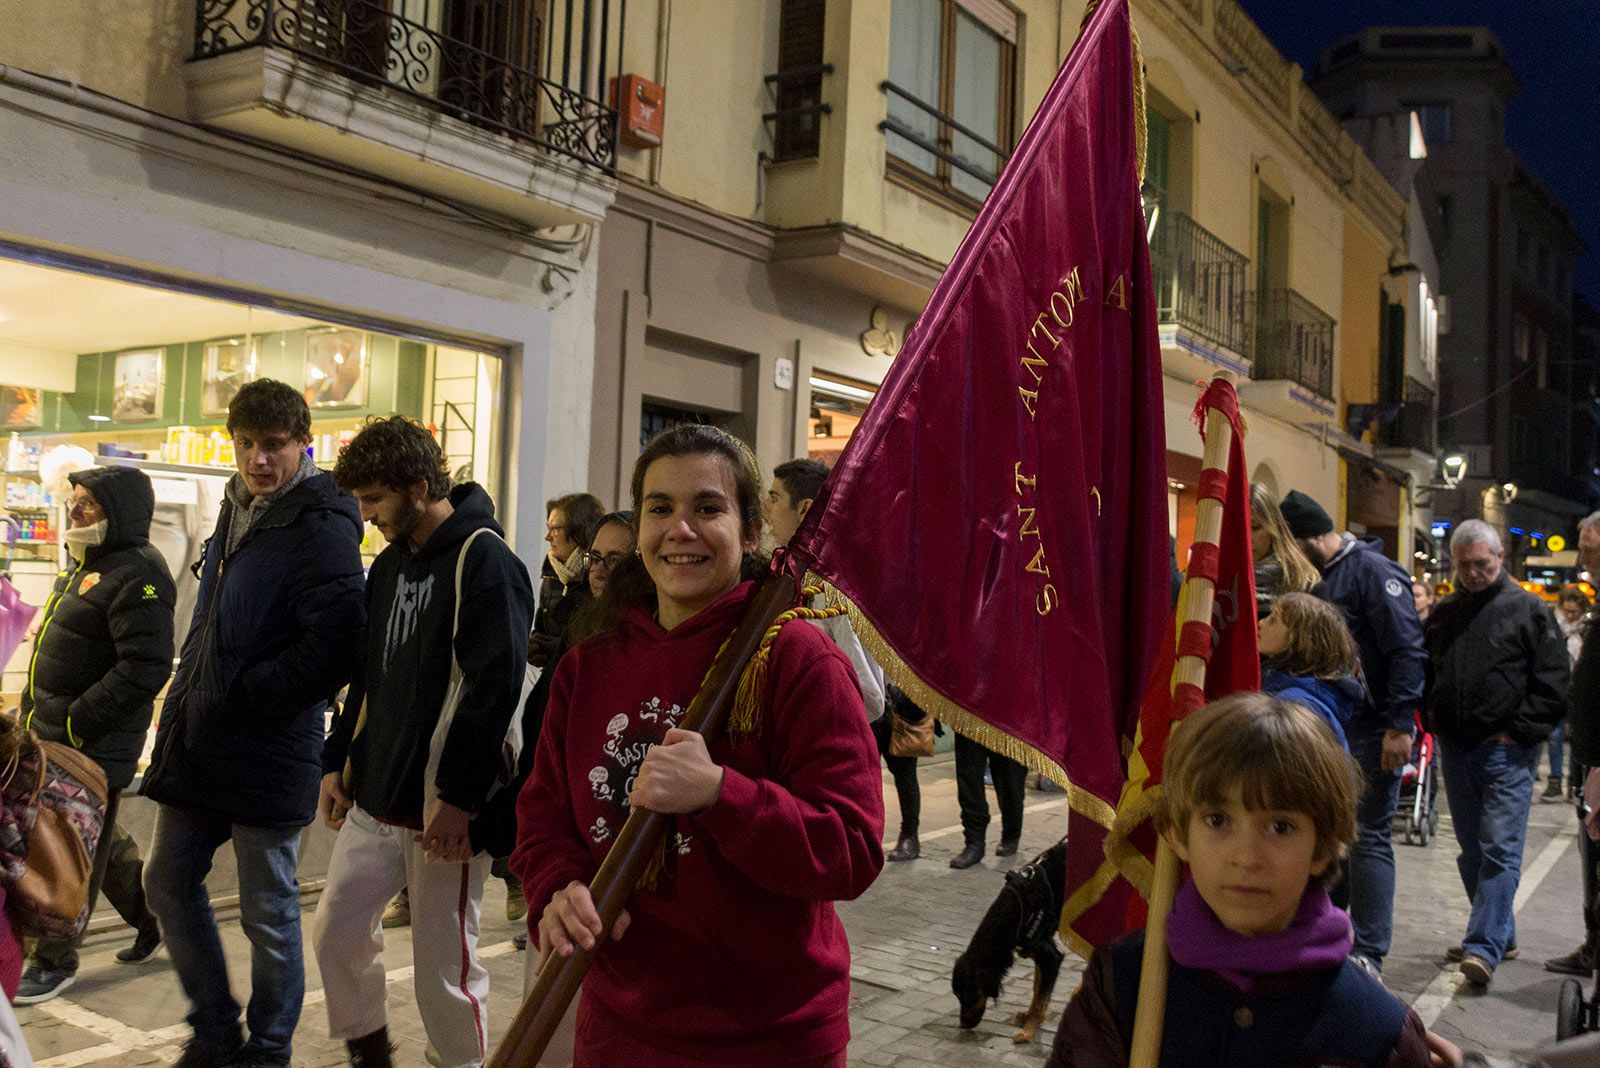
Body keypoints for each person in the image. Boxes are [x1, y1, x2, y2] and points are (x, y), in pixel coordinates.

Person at [512, 423, 884, 1065]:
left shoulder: (798, 659)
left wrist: (721, 794)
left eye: (707, 508)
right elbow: (543, 818)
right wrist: (556, 888)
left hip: (768, 1038)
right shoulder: (589, 666)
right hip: (618, 1029)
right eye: (661, 509)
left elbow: (851, 849)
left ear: (748, 532)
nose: (680, 530)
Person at [1046, 692, 1462, 1068]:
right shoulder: (1123, 985)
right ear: (1177, 834)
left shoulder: (1374, 1030)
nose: (1246, 857)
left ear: (1322, 848)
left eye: (1280, 827)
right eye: (1217, 820)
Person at [141, 379, 366, 1068]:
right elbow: (210, 625)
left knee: (269, 912)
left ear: (304, 442)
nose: (258, 460)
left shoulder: (322, 526)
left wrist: (250, 693)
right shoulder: (235, 511)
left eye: (273, 446)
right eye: (245, 445)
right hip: (201, 738)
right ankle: (215, 1029)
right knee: (166, 882)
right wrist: (189, 694)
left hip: (269, 745)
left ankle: (267, 1050)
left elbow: (337, 642)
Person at [315, 416, 534, 1068]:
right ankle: (367, 1047)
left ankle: (457, 1063)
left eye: (375, 499)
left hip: (444, 808)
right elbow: (368, 675)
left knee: (446, 964)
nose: (368, 514)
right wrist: (337, 762)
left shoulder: (486, 561)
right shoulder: (388, 565)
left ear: (418, 485)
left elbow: (493, 692)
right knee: (336, 932)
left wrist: (462, 801)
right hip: (376, 796)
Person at [14, 466, 174, 1004]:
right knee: (99, 840)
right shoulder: (85, 563)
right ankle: (153, 920)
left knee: (63, 846)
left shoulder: (140, 574)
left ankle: (54, 959)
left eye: (88, 503)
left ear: (120, 512)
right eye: (74, 500)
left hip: (91, 743)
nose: (75, 511)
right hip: (51, 733)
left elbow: (145, 668)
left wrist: (78, 721)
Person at [1280, 489, 1426, 977]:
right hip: (1337, 726)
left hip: (1373, 728)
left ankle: (1370, 950)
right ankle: (1332, 933)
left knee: (1369, 838)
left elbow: (1407, 650)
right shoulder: (1325, 576)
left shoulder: (1372, 573)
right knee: (1336, 836)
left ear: (1313, 539)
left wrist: (1399, 725)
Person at [1423, 519, 1569, 988]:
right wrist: (1433, 718)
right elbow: (1429, 670)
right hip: (1458, 748)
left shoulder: (1528, 610)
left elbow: (1553, 677)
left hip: (1506, 752)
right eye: (1464, 565)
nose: (1472, 573)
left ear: (1500, 557)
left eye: (1481, 564)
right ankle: (1499, 934)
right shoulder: (1446, 613)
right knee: (1471, 852)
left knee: (1499, 849)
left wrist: (1521, 730)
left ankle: (1482, 946)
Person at [768, 458, 885, 721]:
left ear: (804, 509)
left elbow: (869, 696)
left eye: (774, 498)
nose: (767, 509)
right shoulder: (789, 572)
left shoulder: (834, 585)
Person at [1556, 512, 1600, 977]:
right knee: (1591, 855)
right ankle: (1593, 945)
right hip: (1588, 754)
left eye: (1589, 549)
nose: (1583, 558)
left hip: (1599, 760)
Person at [1257, 591, 1365, 750]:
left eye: (1273, 620)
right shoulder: (1305, 696)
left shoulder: (1295, 705)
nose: (1261, 623)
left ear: (1300, 639)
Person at [531, 492, 604, 669]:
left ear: (579, 531)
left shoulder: (599, 574)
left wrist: (562, 648)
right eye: (548, 528)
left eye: (555, 529)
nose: (547, 536)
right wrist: (534, 646)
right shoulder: (552, 571)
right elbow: (541, 625)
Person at [1545, 586, 1591, 802]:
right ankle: (1555, 781)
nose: (1571, 616)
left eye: (1575, 612)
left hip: (1579, 693)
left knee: (1576, 738)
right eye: (1567, 610)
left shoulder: (1587, 630)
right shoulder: (1552, 628)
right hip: (1556, 690)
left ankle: (1575, 781)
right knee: (1554, 737)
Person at [1250, 483, 1319, 619]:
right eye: (1238, 528)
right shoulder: (1224, 579)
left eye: (1255, 527)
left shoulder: (1303, 583)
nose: (1247, 537)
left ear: (1273, 527)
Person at [875, 683, 927, 861]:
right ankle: (868, 835)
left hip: (902, 711)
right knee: (867, 779)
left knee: (906, 777)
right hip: (870, 710)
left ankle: (910, 836)